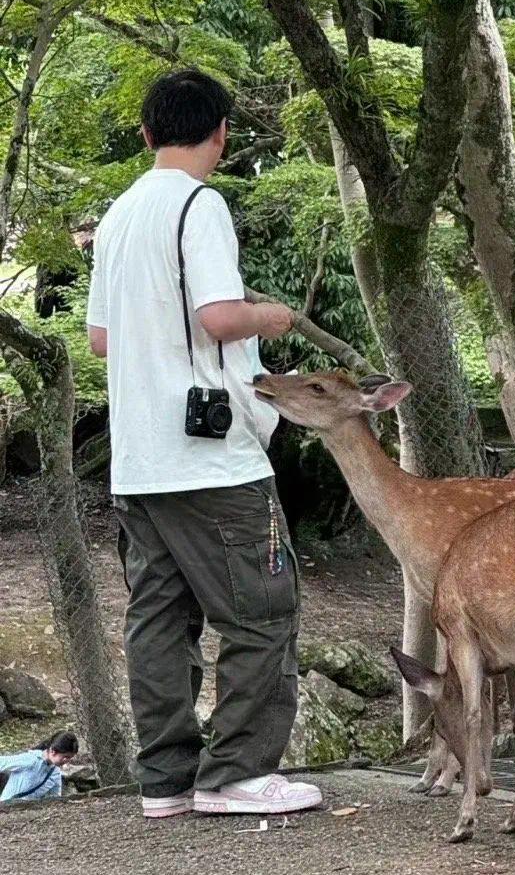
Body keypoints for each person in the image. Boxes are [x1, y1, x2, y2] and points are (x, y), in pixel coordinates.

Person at [86, 69, 321, 819]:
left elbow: (99, 338)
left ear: (148, 134)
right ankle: (238, 773)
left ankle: (167, 782)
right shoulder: (201, 202)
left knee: (159, 617)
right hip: (211, 457)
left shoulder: (119, 214)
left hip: (138, 460)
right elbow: (219, 316)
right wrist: (271, 315)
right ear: (220, 133)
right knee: (262, 606)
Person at [0, 732, 78, 802]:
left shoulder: (55, 773)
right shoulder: (30, 760)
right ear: (53, 751)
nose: (67, 760)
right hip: (6, 810)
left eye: (70, 758)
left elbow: (55, 799)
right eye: (66, 757)